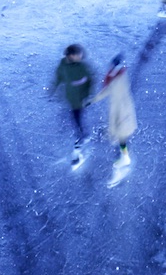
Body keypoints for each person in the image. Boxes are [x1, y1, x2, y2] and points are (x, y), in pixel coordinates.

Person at [51, 44, 96, 164]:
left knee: (77, 119)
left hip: (80, 99)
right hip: (71, 98)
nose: (80, 56)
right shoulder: (63, 64)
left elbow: (90, 79)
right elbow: (59, 77)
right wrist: (53, 89)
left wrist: (87, 95)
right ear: (71, 56)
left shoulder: (82, 66)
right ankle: (82, 135)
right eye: (78, 55)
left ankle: (80, 141)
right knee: (76, 118)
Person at [96, 55, 137, 184]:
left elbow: (111, 89)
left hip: (122, 114)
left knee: (121, 137)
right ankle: (122, 155)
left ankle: (121, 164)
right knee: (119, 135)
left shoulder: (118, 78)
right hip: (119, 111)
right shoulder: (116, 76)